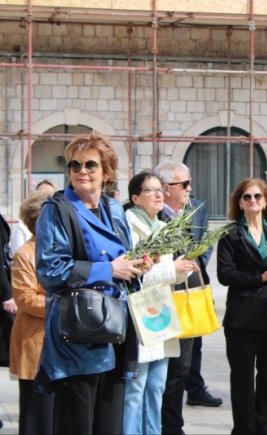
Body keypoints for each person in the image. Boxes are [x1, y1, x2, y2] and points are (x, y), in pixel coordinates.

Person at [35, 131, 147, 434]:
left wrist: (138, 266)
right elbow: (50, 271)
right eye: (74, 165)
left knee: (109, 426)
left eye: (90, 165)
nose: (81, 171)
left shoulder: (114, 209)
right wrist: (108, 269)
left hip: (116, 331)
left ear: (106, 171)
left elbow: (124, 261)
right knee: (77, 425)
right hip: (78, 334)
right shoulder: (57, 210)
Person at [122, 171, 199, 435]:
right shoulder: (129, 226)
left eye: (159, 189)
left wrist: (182, 270)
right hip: (139, 313)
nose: (158, 194)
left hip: (160, 313)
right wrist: (171, 269)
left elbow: (166, 273)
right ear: (135, 198)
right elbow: (135, 273)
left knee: (156, 387)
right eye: (150, 190)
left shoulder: (163, 227)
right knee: (136, 389)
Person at [217, 178, 267, 435]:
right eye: (246, 197)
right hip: (242, 317)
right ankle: (244, 430)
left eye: (257, 196)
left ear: (266, 201)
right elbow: (225, 274)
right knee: (242, 379)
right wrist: (261, 277)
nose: (252, 201)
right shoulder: (230, 234)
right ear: (239, 202)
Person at [154, 162, 221, 435]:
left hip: (189, 297)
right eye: (184, 184)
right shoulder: (153, 215)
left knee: (182, 367)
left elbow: (203, 246)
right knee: (162, 371)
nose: (189, 188)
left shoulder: (194, 209)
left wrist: (196, 270)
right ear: (166, 188)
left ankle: (173, 426)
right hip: (161, 302)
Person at [9, 190, 54, 435]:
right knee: (37, 414)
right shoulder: (25, 253)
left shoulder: (60, 250)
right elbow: (25, 298)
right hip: (35, 341)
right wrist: (62, 305)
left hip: (59, 341)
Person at [10, 179, 57, 256]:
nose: (44, 198)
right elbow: (17, 251)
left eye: (49, 194)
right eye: (40, 194)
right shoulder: (22, 225)